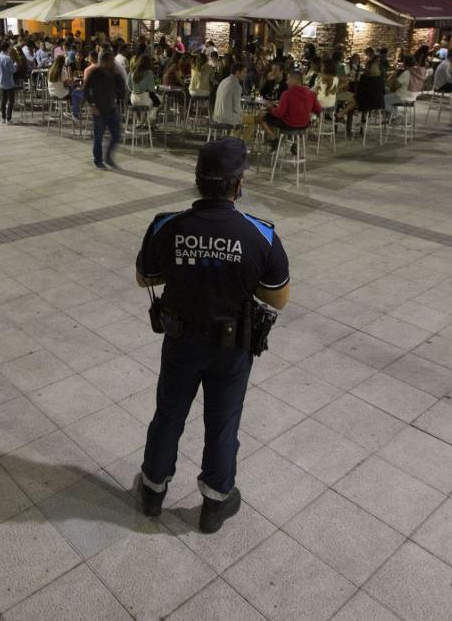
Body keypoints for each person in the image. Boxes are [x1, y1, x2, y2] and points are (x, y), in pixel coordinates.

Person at [134, 138, 290, 534]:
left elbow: (145, 278)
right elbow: (278, 296)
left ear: (197, 181)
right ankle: (215, 503)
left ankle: (152, 490)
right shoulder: (261, 234)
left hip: (181, 340)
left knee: (168, 414)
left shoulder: (165, 225)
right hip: (232, 347)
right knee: (223, 423)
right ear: (238, 185)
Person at [259, 70, 321, 148]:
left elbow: (278, 113)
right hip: (304, 125)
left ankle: (273, 139)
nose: (286, 82)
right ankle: (290, 144)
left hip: (289, 124)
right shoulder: (311, 94)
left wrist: (270, 107)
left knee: (261, 117)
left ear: (295, 80)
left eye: (288, 79)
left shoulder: (287, 94)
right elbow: (318, 109)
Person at [86, 51, 126, 170]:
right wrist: (92, 105)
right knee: (98, 138)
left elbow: (121, 91)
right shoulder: (95, 73)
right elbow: (86, 90)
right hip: (99, 111)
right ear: (104, 61)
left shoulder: (113, 74)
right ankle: (98, 160)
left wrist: (118, 76)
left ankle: (108, 157)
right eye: (111, 60)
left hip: (112, 109)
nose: (113, 63)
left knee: (116, 135)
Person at [212, 60, 246, 128]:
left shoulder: (223, 81)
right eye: (244, 72)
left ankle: (233, 137)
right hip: (226, 118)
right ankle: (241, 138)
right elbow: (236, 107)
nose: (245, 74)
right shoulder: (236, 85)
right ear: (237, 72)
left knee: (241, 117)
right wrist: (243, 113)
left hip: (216, 116)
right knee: (253, 120)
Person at [0, 42, 17, 123]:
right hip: (9, 81)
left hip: (1, 80)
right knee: (11, 100)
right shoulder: (8, 58)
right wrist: (15, 65)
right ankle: (8, 118)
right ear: (7, 48)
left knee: (3, 100)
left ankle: (3, 117)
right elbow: (13, 70)